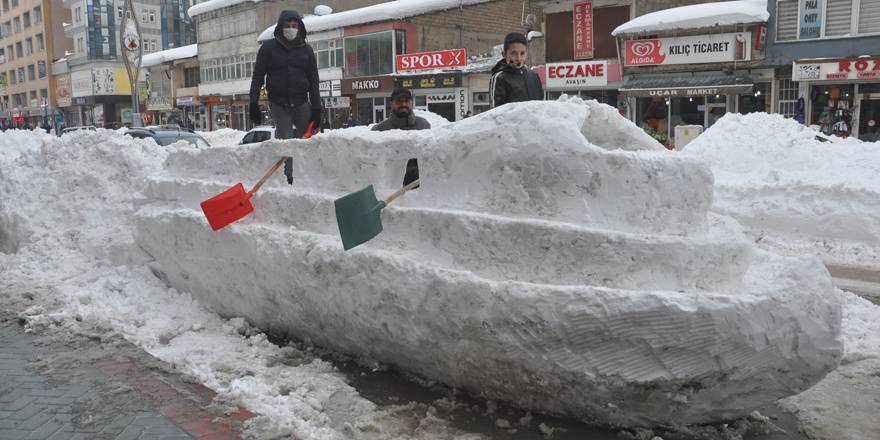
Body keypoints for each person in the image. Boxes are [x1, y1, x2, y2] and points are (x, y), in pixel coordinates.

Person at [249, 10, 322, 139]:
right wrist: (253, 102)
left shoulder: (307, 50)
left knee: (311, 140)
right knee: (286, 142)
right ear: (280, 27)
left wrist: (316, 108)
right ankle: (287, 159)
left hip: (301, 103)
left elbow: (314, 81)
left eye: (294, 26)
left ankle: (308, 160)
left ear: (299, 28)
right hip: (278, 104)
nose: (291, 29)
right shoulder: (268, 48)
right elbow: (258, 76)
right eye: (287, 26)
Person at [490, 32, 543, 108]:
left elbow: (541, 105)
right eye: (513, 53)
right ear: (504, 54)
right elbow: (495, 113)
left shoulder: (534, 76)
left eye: (522, 53)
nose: (518, 58)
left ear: (526, 54)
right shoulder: (499, 78)